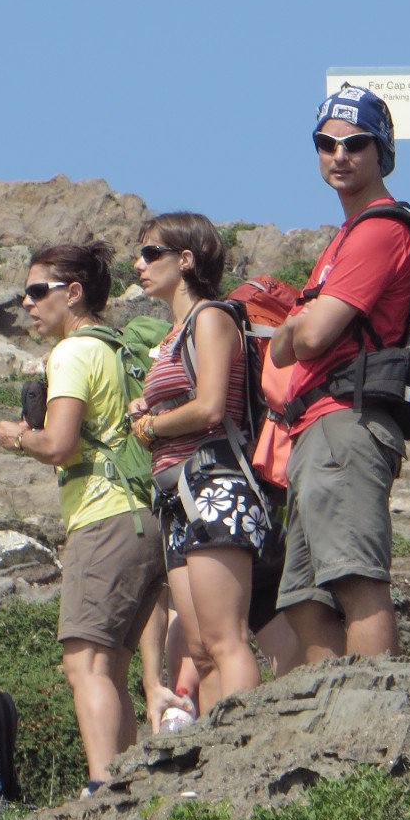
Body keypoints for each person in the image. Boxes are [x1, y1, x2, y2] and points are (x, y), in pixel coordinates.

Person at [0, 242, 171, 797]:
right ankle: (127, 781)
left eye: (37, 291)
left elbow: (58, 444)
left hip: (103, 517)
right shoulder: (116, 348)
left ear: (73, 294)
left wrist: (17, 436)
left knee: (85, 663)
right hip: (146, 516)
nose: (26, 303)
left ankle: (103, 785)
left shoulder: (71, 354)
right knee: (111, 666)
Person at [268, 84, 410, 662]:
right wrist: (296, 329)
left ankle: (372, 720)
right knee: (305, 599)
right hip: (319, 427)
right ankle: (331, 720)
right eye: (326, 143)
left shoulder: (379, 231)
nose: (340, 154)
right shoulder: (348, 235)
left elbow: (306, 336)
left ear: (382, 152)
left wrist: (290, 330)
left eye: (356, 143)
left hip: (346, 422)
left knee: (357, 583)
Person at [127, 212, 279, 712]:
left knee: (224, 638)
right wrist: (151, 411)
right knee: (199, 648)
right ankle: (219, 757)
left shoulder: (211, 318)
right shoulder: (172, 334)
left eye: (151, 253)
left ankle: (243, 751)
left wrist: (152, 426)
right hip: (178, 495)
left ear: (186, 260)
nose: (139, 264)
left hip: (215, 484)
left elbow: (212, 405)